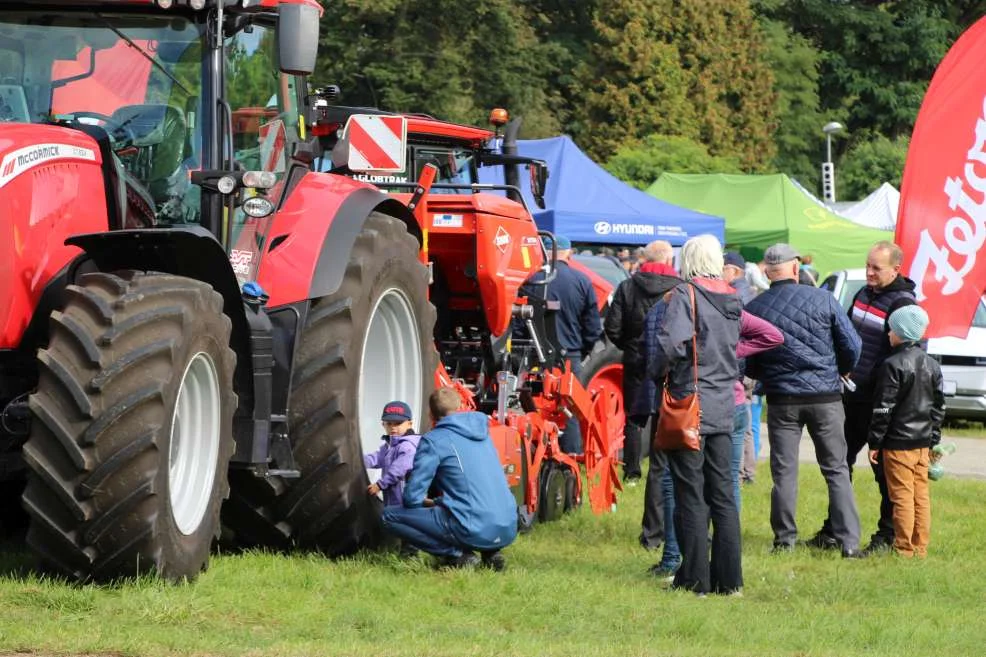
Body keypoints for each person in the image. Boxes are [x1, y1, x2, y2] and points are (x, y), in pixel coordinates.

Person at [744, 243, 865, 557]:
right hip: (825, 397)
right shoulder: (823, 299)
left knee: (784, 472)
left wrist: (765, 376)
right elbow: (852, 343)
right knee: (836, 469)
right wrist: (841, 369)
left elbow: (749, 358)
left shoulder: (756, 307)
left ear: (768, 271)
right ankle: (849, 541)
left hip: (782, 399)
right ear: (796, 268)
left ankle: (784, 540)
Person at [649, 234, 744, 595]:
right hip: (724, 401)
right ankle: (729, 581)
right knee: (723, 495)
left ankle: (694, 579)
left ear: (687, 260)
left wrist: (658, 374)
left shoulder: (685, 294)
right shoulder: (732, 295)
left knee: (691, 495)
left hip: (690, 402)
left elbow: (669, 345)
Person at [810, 240, 918, 554]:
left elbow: (907, 359)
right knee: (839, 463)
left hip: (881, 403)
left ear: (896, 269)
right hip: (850, 397)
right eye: (868, 265)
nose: (869, 272)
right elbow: (844, 334)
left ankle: (886, 537)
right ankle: (834, 530)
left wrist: (888, 398)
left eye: (876, 268)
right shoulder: (862, 294)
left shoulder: (904, 304)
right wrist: (841, 365)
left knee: (884, 472)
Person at [381, 387, 518, 570]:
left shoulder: (434, 440)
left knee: (389, 516)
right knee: (470, 505)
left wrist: (435, 502)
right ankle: (491, 552)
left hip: (471, 526)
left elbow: (412, 498)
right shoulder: (484, 434)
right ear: (460, 406)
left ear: (430, 413)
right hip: (508, 525)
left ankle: (458, 555)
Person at [867, 306, 945, 558]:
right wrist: (933, 440)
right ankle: (920, 547)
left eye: (892, 328)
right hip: (923, 443)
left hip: (898, 444)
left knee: (901, 497)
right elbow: (939, 406)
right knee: (920, 496)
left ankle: (903, 548)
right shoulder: (932, 364)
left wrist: (875, 442)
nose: (888, 332)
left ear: (901, 333)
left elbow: (883, 408)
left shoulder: (892, 364)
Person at [605, 240, 680, 484]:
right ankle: (660, 469)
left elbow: (612, 327)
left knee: (634, 416)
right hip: (668, 359)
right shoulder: (680, 288)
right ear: (669, 260)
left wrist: (629, 345)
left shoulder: (627, 286)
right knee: (664, 413)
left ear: (645, 259)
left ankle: (632, 471)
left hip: (636, 357)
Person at [522, 235, 602, 453]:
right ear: (570, 253)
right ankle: (571, 457)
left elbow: (520, 321)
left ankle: (537, 452)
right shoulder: (582, 281)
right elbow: (593, 327)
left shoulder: (531, 280)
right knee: (570, 408)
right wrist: (581, 351)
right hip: (569, 356)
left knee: (534, 406)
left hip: (535, 355)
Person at [722, 251, 783, 510]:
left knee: (747, 425)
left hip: (739, 376)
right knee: (750, 423)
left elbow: (768, 335)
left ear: (734, 271)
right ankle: (748, 470)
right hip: (743, 374)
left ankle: (747, 470)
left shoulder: (738, 297)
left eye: (724, 268)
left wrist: (736, 352)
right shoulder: (745, 294)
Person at [364, 401, 420, 507]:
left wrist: (380, 485)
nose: (393, 427)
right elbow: (375, 458)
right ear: (383, 424)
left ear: (409, 424)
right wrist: (358, 461)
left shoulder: (408, 446)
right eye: (389, 423)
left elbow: (399, 469)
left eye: (398, 423)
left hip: (406, 504)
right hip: (393, 502)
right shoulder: (389, 446)